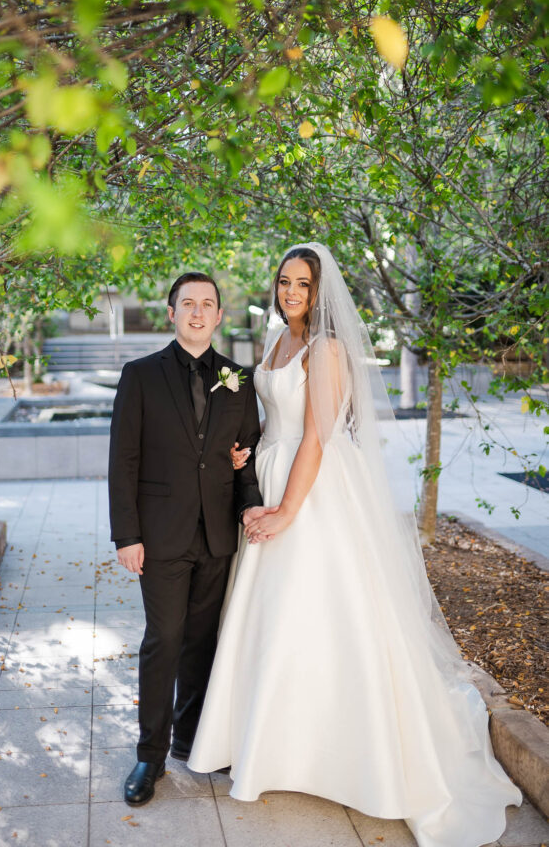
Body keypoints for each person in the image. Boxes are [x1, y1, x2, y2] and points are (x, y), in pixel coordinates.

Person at [188, 244, 522, 847]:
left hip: (311, 491)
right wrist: (248, 451)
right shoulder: (277, 341)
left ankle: (337, 755)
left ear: (320, 293)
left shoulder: (328, 349)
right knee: (269, 619)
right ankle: (268, 745)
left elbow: (317, 435)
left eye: (303, 285)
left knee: (315, 614)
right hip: (270, 473)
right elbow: (277, 418)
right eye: (285, 282)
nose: (291, 292)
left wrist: (289, 509)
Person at [108, 271, 263, 807]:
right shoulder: (141, 375)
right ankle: (149, 755)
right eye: (188, 304)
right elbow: (122, 462)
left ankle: (191, 740)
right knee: (164, 641)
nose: (198, 312)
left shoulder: (239, 379)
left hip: (218, 534)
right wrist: (127, 534)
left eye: (208, 304)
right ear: (171, 312)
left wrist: (251, 509)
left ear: (220, 316)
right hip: (162, 535)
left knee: (203, 644)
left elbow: (246, 458)